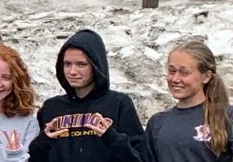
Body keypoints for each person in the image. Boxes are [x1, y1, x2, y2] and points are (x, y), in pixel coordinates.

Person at [28, 29, 146, 161]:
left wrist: (112, 137)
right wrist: (42, 141)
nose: (72, 71)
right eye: (67, 64)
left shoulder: (119, 104)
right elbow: (34, 158)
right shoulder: (51, 108)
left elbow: (139, 158)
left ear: (96, 66)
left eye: (81, 64)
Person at [144, 41, 233, 162]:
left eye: (184, 72)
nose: (175, 79)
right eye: (172, 71)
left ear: (206, 77)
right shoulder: (157, 123)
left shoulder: (227, 116)